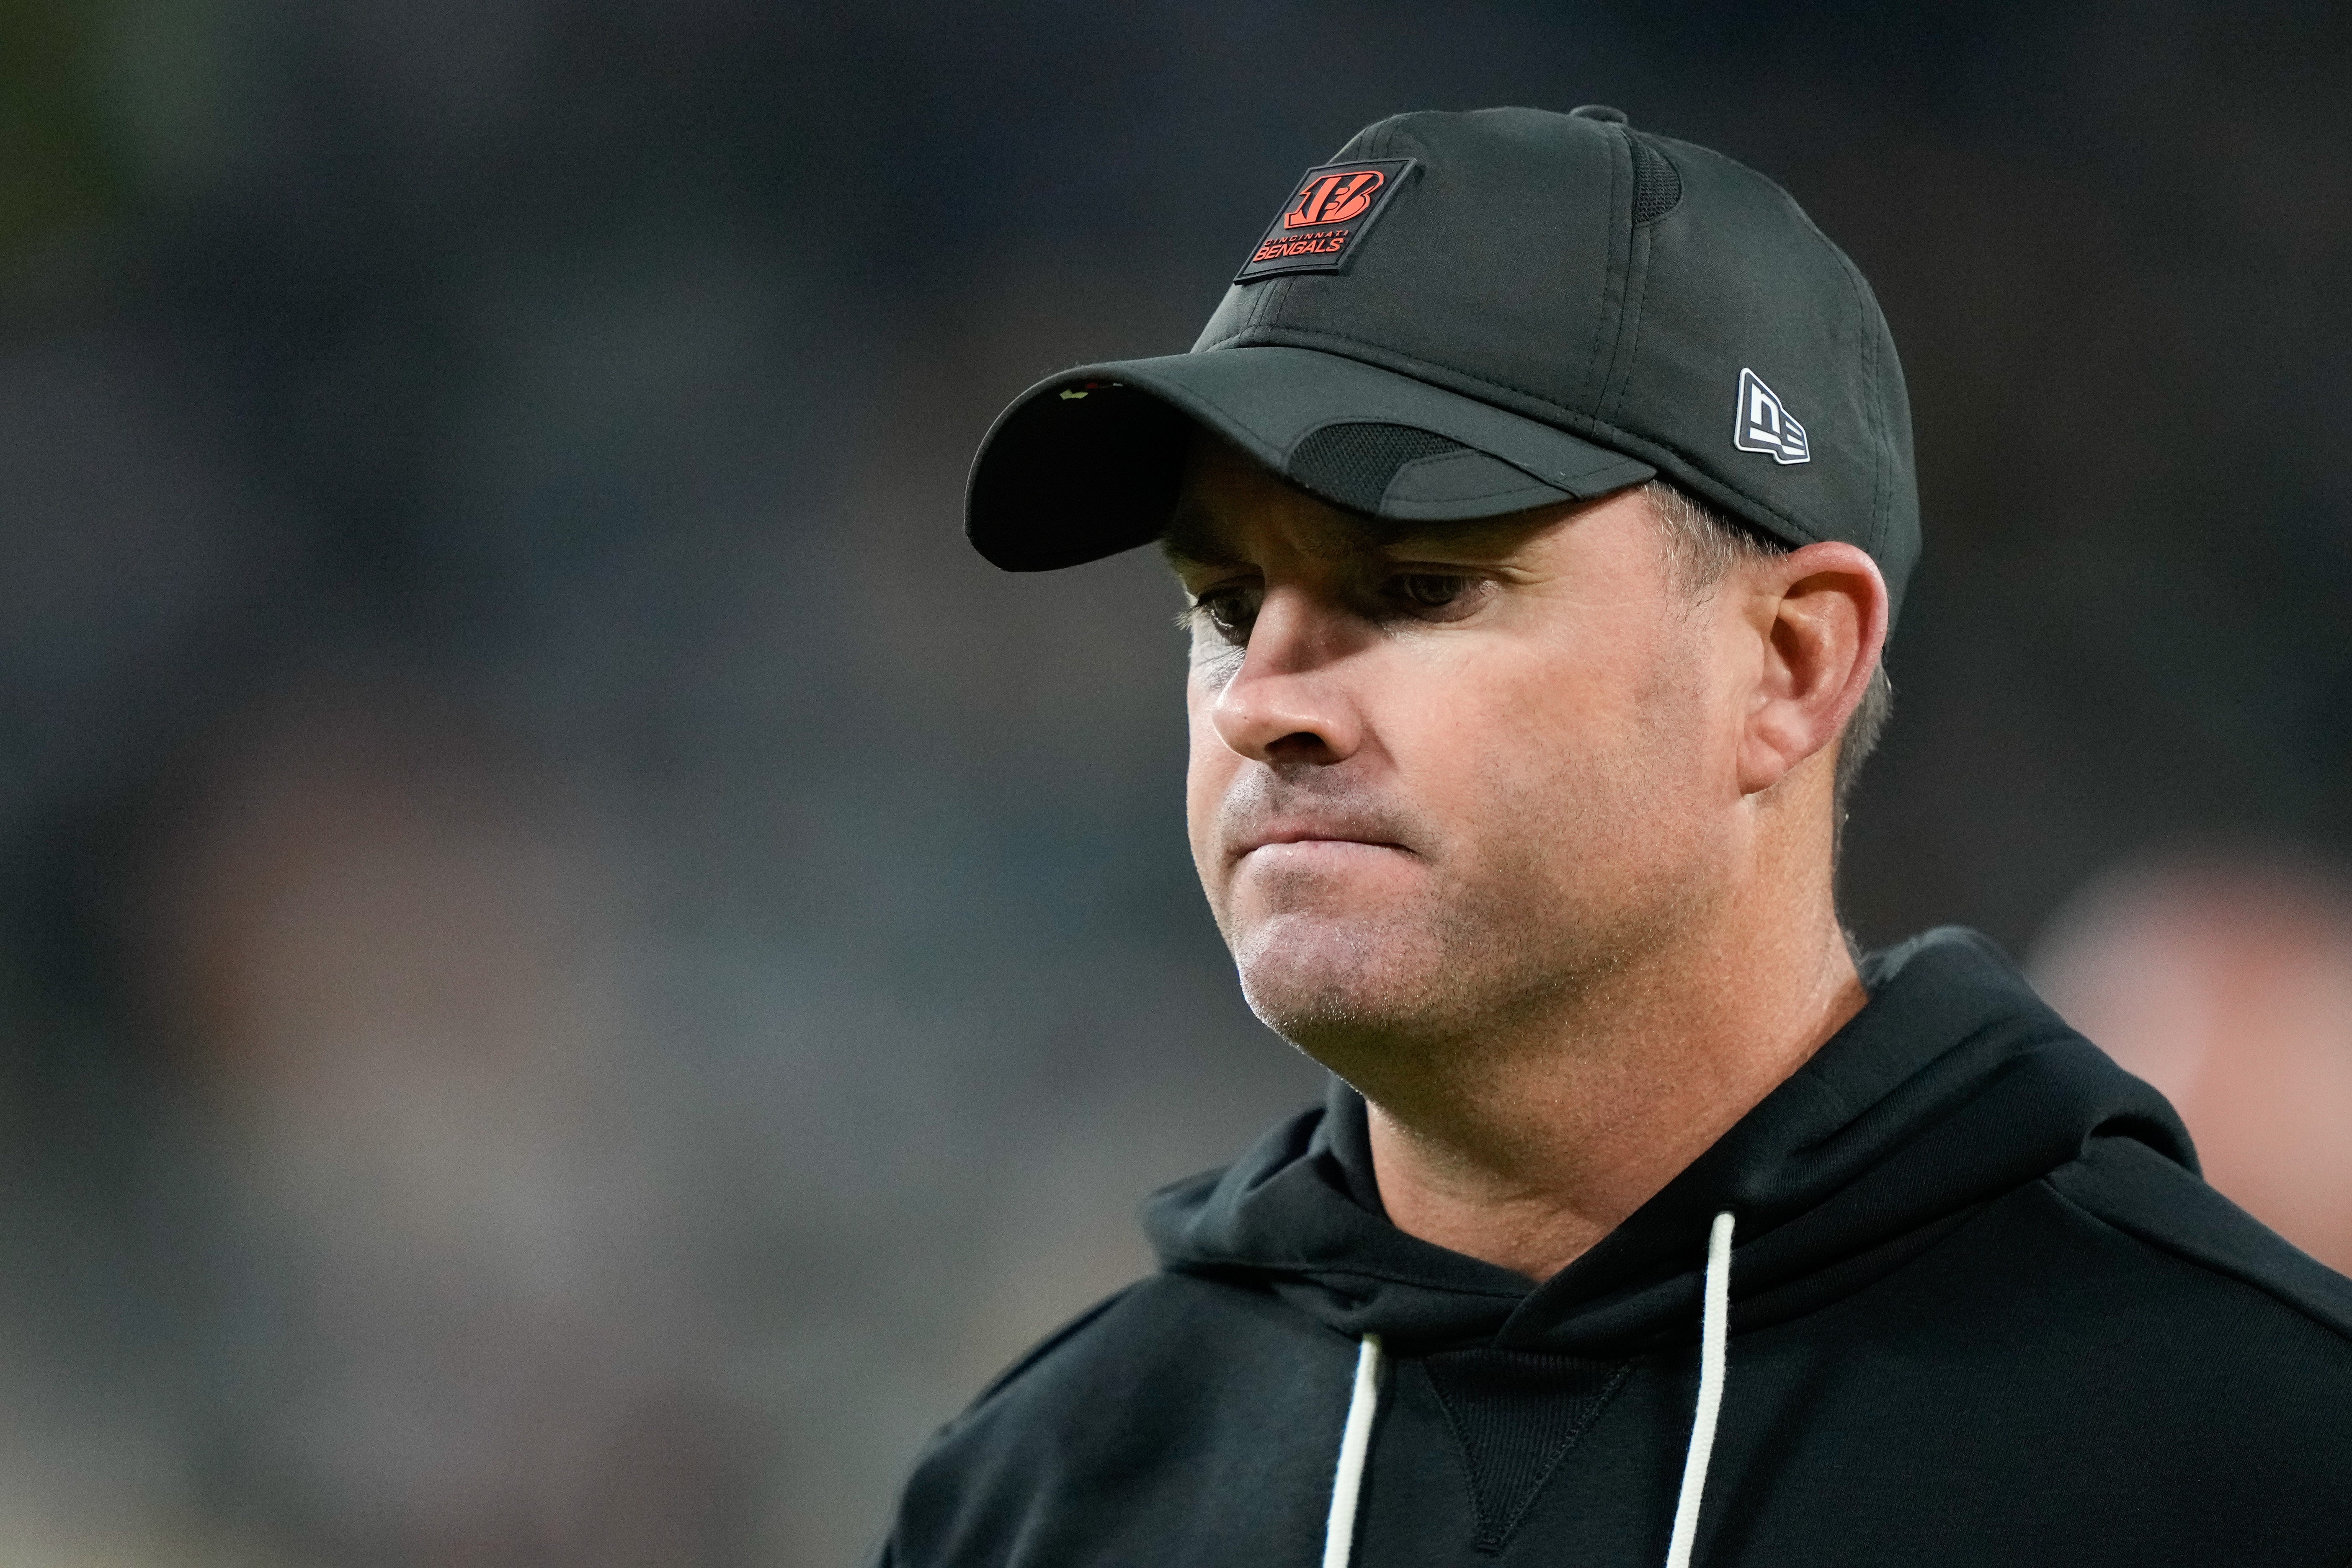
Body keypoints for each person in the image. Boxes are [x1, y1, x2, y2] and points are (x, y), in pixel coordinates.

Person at [874, 106, 2352, 1567]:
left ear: (1787, 668)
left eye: (1419, 586)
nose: (1264, 700)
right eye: (1226, 605)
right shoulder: (1037, 1499)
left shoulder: (2252, 1447)